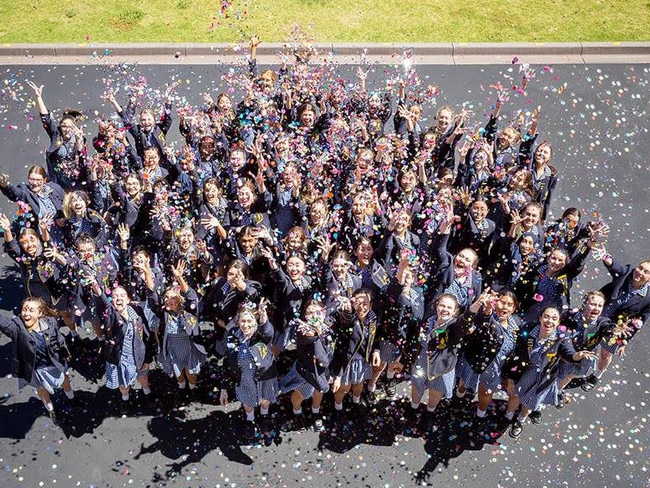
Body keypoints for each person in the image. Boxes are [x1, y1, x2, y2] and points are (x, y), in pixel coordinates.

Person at [503, 307, 597, 438]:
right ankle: (508, 416)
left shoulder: (562, 338)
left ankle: (520, 420)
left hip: (543, 377)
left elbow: (569, 353)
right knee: (514, 396)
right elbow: (516, 353)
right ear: (540, 318)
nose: (549, 321)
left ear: (558, 322)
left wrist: (578, 355)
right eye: (546, 317)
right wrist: (510, 378)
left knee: (530, 401)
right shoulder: (528, 330)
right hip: (524, 372)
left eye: (554, 318)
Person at [581, 251, 650, 391]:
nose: (640, 272)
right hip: (596, 313)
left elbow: (640, 321)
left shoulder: (648, 299)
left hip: (616, 329)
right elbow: (615, 266)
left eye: (646, 272)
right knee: (581, 338)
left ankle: (596, 376)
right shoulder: (627, 273)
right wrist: (605, 256)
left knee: (606, 354)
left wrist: (625, 341)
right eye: (640, 268)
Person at [0, 297, 75, 425]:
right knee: (42, 390)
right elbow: (3, 322)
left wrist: (66, 352)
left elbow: (59, 339)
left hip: (54, 363)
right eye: (24, 310)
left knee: (65, 380)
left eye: (31, 310)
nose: (26, 313)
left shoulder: (50, 323)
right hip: (35, 370)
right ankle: (51, 410)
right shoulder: (17, 328)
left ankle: (71, 398)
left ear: (40, 313)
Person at [94, 285, 157, 413]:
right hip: (119, 359)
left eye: (122, 295)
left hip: (137, 356)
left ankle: (147, 392)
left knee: (143, 378)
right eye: (115, 296)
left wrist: (148, 359)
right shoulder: (109, 315)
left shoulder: (137, 314)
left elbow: (147, 336)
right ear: (111, 301)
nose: (118, 298)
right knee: (123, 385)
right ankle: (125, 398)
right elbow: (103, 302)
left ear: (128, 300)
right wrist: (97, 288)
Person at [220, 300, 276, 440]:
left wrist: (263, 316)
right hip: (245, 377)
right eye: (242, 321)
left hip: (265, 376)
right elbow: (228, 360)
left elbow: (268, 332)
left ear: (255, 321)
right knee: (248, 403)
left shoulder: (261, 334)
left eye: (249, 321)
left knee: (265, 400)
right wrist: (223, 387)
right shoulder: (233, 334)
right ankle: (250, 421)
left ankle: (264, 419)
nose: (245, 324)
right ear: (238, 322)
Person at [279, 299, 334, 431]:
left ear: (324, 312)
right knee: (299, 394)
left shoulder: (329, 325)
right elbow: (307, 337)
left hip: (322, 370)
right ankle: (297, 412)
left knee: (318, 391)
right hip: (305, 370)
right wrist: (314, 334)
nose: (314, 316)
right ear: (305, 316)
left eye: (317, 312)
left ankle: (315, 412)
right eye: (310, 313)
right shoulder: (302, 328)